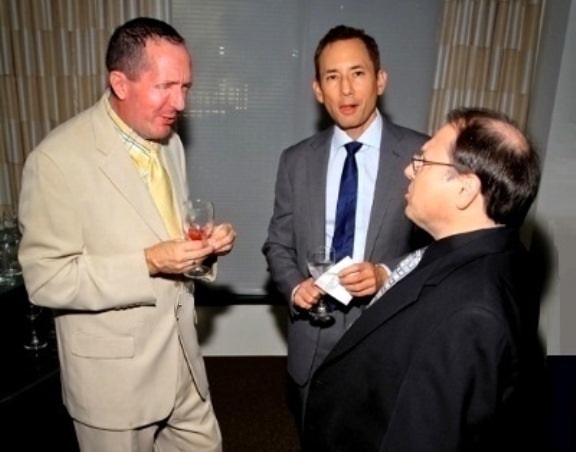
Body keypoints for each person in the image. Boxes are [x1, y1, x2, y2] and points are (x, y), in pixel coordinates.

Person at [18, 17, 235, 451]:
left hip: (182, 363)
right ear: (120, 82)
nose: (180, 102)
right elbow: (45, 280)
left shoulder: (169, 143)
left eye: (186, 87)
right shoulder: (57, 160)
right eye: (166, 86)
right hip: (113, 383)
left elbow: (162, 234)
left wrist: (202, 251)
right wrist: (148, 263)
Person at [301, 107, 547, 451]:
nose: (407, 169)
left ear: (465, 190)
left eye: (423, 162)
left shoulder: (472, 314)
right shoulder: (497, 253)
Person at [262, 24, 429, 419]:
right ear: (318, 89)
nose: (347, 90)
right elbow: (278, 244)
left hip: (388, 337)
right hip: (312, 342)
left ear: (380, 80)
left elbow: (442, 250)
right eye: (332, 77)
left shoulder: (422, 155)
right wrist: (293, 288)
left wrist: (386, 273)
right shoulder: (295, 160)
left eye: (358, 73)